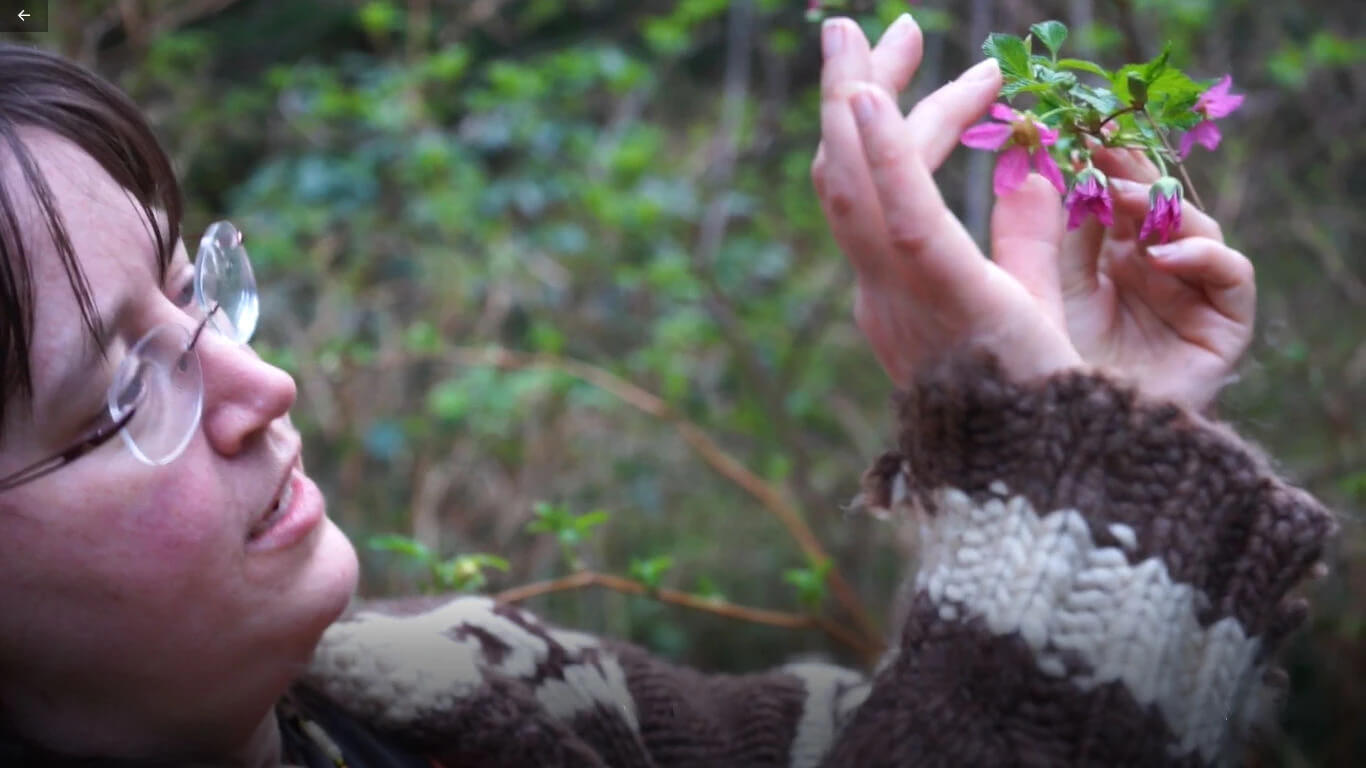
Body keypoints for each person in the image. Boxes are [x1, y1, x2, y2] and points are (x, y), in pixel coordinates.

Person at [0, 14, 1334, 767]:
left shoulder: (479, 701)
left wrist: (1091, 436)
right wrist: (1071, 489)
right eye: (118, 399)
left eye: (194, 293)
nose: (264, 380)